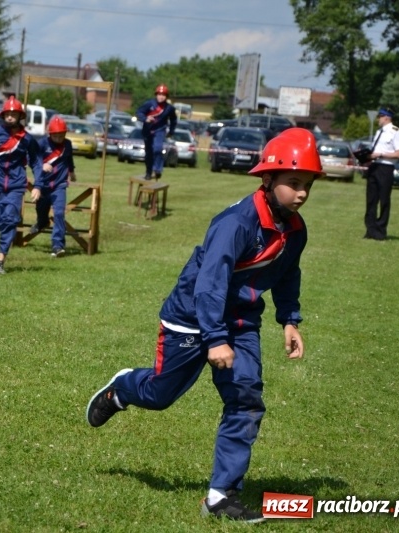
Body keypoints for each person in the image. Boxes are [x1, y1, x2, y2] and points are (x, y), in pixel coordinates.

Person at [85, 128, 324, 523]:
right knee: (161, 395)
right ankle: (122, 389)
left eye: (307, 186)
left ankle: (221, 495)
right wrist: (214, 338)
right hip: (192, 316)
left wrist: (289, 319)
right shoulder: (236, 224)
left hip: (241, 322)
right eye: (294, 184)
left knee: (245, 398)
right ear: (268, 179)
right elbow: (210, 284)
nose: (301, 194)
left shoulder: (294, 230)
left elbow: (286, 273)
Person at [0, 96, 43, 274]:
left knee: (9, 221)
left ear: (20, 116)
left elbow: (36, 161)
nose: (11, 117)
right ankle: (8, 222)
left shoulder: (27, 139)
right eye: (8, 113)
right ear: (3, 115)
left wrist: (37, 185)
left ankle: (0, 260)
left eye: (14, 114)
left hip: (15, 185)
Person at [30, 115, 76, 257]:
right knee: (41, 208)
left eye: (61, 135)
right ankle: (42, 222)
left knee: (59, 213)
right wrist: (42, 164)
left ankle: (58, 245)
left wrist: (72, 171)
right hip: (43, 184)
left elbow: (69, 158)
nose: (59, 138)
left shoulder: (67, 144)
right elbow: (32, 159)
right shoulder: (42, 144)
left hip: (59, 185)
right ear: (50, 134)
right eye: (56, 136)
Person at [364, 107, 399, 241]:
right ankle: (370, 229)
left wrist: (381, 154)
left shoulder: (395, 132)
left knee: (384, 200)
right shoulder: (378, 132)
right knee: (371, 199)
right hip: (374, 165)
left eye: (380, 117)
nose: (378, 119)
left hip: (386, 168)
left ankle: (380, 231)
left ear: (386, 117)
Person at [136, 84, 178, 180]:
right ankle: (148, 172)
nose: (161, 96)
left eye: (163, 95)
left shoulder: (169, 108)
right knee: (149, 153)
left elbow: (173, 120)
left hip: (160, 131)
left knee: (157, 149)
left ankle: (158, 169)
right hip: (147, 131)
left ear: (166, 97)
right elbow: (139, 112)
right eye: (159, 94)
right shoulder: (149, 104)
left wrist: (171, 131)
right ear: (156, 95)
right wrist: (145, 118)